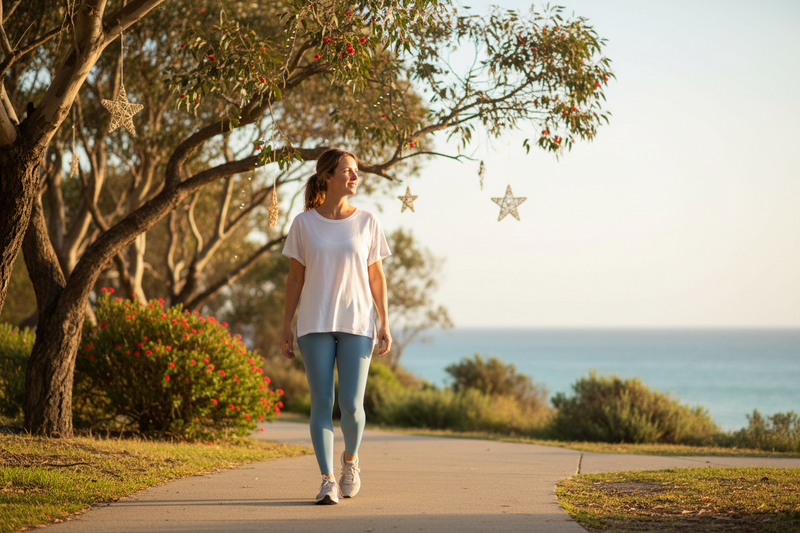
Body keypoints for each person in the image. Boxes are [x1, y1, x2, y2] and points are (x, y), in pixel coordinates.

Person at [280, 148, 392, 505]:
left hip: (358, 322)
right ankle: (327, 479)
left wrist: (385, 322)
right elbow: (294, 279)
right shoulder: (304, 223)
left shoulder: (367, 222)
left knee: (352, 406)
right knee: (322, 403)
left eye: (356, 171)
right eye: (348, 170)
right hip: (314, 323)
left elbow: (376, 276)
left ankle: (350, 461)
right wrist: (286, 324)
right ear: (327, 176)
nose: (354, 176)